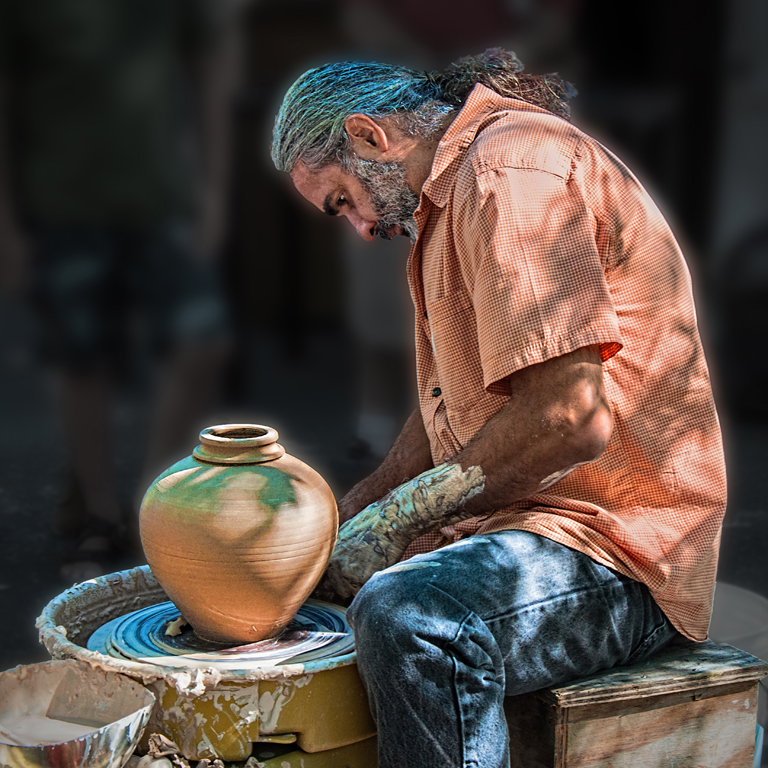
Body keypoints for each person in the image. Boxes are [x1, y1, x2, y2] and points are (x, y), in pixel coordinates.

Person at [271, 49, 726, 768]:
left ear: (367, 136)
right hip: (527, 525)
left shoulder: (508, 173)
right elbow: (447, 405)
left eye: (343, 201)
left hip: (621, 553)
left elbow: (569, 419)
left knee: (413, 618)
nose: (358, 227)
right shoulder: (452, 197)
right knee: (333, 589)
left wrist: (402, 519)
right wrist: (360, 515)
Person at [0, 1, 241, 579]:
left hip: (162, 201)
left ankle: (144, 509)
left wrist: (214, 192)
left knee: (201, 341)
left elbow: (211, 70)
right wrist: (5, 224)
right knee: (82, 357)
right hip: (61, 202)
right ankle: (99, 517)